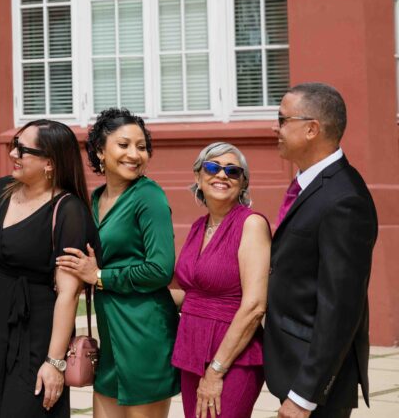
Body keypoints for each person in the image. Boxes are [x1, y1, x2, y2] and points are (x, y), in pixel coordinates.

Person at [57, 107, 179, 418]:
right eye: (123, 145)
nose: (135, 154)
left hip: (144, 331)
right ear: (100, 151)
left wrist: (99, 275)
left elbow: (160, 269)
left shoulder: (149, 196)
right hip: (110, 333)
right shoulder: (95, 199)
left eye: (141, 147)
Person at [265, 83, 378, 418]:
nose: (275, 127)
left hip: (316, 385)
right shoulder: (311, 184)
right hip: (293, 365)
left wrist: (304, 397)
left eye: (283, 119)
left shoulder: (345, 200)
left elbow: (341, 307)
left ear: (312, 129)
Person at [0, 119, 98, 418]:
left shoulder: (69, 211)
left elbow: (68, 294)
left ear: (50, 163)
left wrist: (54, 363)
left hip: (35, 334)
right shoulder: (1, 190)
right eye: (15, 143)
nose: (13, 153)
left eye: (23, 148)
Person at [169, 142, 270, 418]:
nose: (221, 175)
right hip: (192, 349)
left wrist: (216, 370)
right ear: (198, 177)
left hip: (233, 355)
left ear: (244, 183)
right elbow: (194, 295)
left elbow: (255, 306)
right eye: (212, 167)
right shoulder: (198, 226)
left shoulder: (252, 225)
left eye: (232, 171)